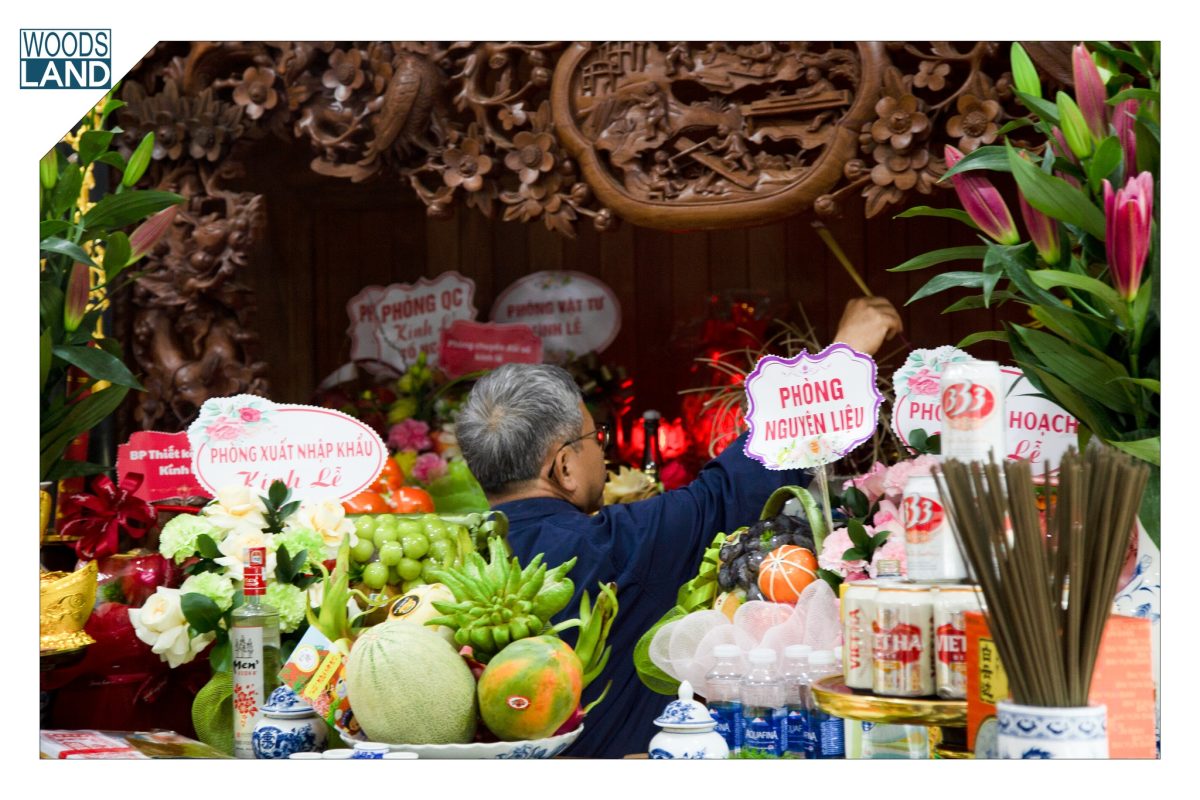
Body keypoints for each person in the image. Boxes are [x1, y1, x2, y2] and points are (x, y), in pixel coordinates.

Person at [455, 296, 902, 758]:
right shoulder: (620, 546)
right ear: (565, 467)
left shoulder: (452, 564)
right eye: (596, 438)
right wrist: (843, 357)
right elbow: (735, 486)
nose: (603, 454)